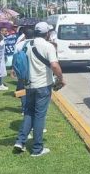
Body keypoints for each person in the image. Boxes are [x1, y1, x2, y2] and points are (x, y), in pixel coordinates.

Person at [14, 22, 65, 156]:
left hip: (28, 85)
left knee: (29, 113)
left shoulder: (26, 45)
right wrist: (61, 78)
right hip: (43, 86)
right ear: (47, 33)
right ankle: (37, 149)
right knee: (39, 116)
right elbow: (54, 65)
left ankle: (20, 141)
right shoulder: (48, 46)